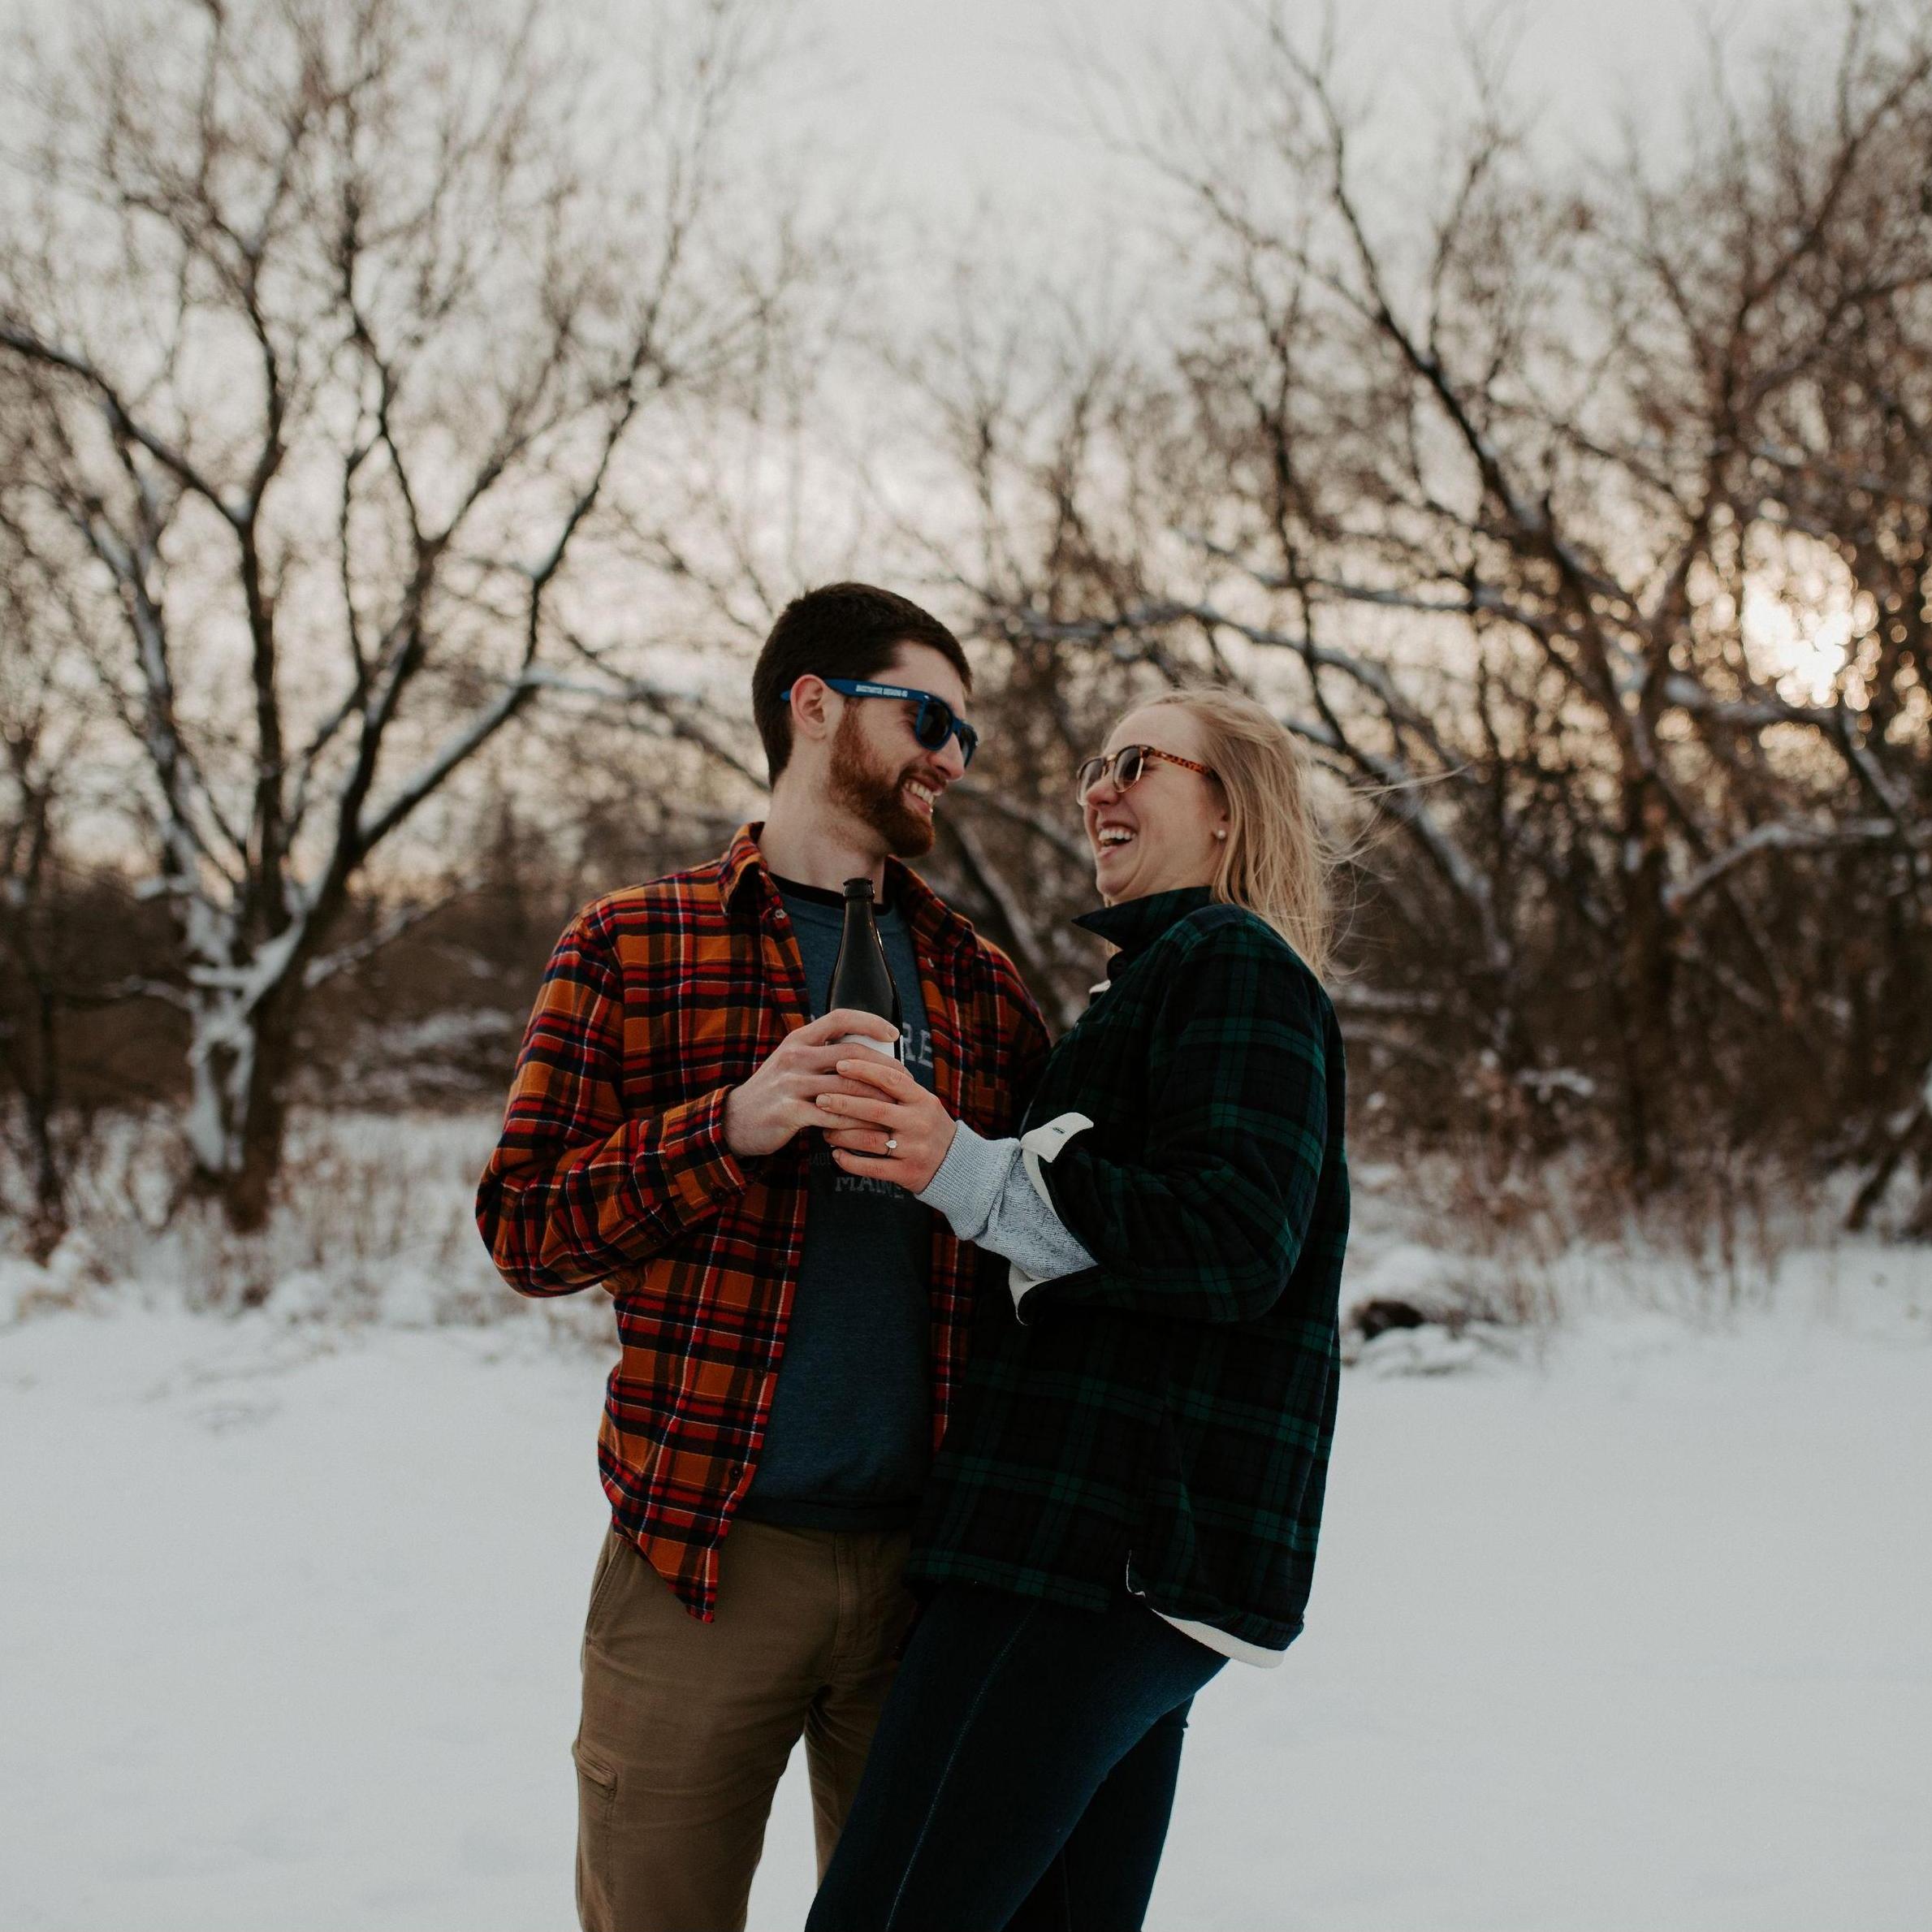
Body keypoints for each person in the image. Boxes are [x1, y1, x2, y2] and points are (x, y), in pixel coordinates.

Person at [475, 582, 1050, 1932]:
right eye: (928, 717)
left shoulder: (982, 982)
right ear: (813, 705)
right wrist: (727, 1127)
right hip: (699, 1560)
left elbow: (1051, 1243)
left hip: (930, 1577)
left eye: (966, 733)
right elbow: (525, 1230)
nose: (952, 759)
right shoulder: (630, 945)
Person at [803, 685, 1350, 1932]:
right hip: (1108, 1559)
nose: (1098, 786)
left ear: (1228, 811)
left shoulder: (1232, 964)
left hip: (1089, 1553)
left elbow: (1232, 1238)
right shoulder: (1148, 985)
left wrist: (967, 1168)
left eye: (1140, 763)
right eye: (1095, 762)